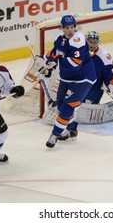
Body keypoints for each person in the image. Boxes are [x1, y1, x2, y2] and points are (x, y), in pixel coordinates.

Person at [42, 15, 96, 148]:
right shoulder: (59, 38)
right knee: (61, 105)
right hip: (67, 77)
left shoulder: (78, 39)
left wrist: (56, 60)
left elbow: (76, 63)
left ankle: (54, 135)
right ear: (62, 28)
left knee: (68, 107)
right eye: (67, 27)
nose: (70, 30)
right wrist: (43, 60)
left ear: (75, 27)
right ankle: (71, 129)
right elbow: (55, 52)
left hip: (83, 79)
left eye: (72, 27)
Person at [83, 30, 113, 104]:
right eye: (91, 42)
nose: (93, 45)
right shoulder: (78, 51)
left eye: (95, 42)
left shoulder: (104, 57)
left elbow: (110, 74)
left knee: (88, 111)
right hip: (77, 85)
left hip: (94, 89)